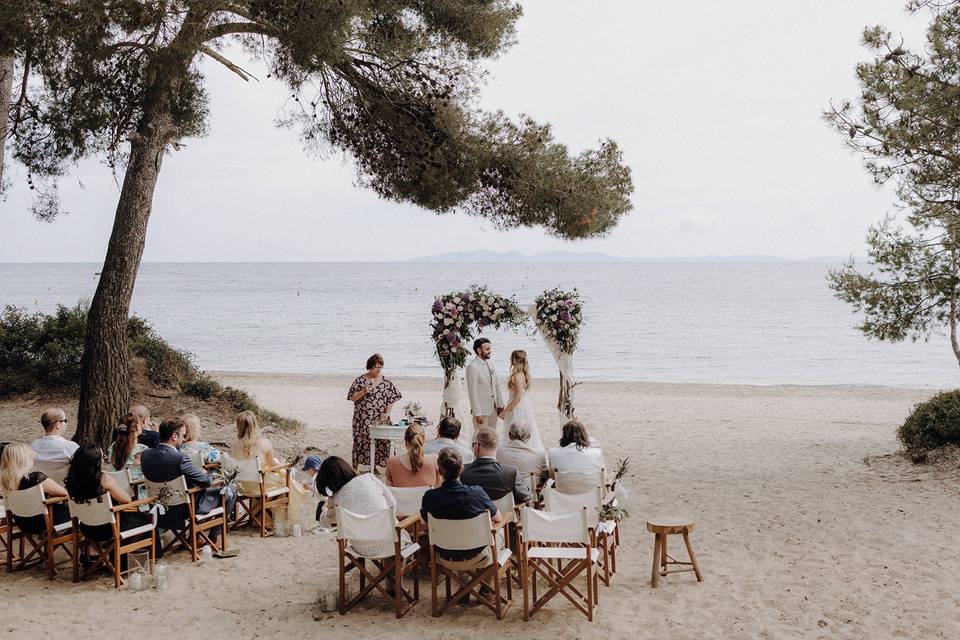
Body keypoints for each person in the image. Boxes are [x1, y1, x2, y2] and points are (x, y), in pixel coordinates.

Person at [141, 417, 236, 542]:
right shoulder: (179, 458)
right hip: (182, 510)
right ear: (174, 436)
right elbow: (206, 482)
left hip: (158, 509)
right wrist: (203, 472)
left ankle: (195, 537)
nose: (184, 439)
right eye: (182, 435)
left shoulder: (146, 455)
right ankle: (213, 537)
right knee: (230, 490)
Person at [65, 444, 159, 556]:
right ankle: (147, 557)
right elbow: (126, 499)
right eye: (102, 457)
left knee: (129, 519)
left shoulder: (72, 481)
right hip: (108, 528)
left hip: (86, 528)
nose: (104, 459)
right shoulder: (103, 479)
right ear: (96, 462)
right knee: (147, 518)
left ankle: (117, 557)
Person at [316, 456, 408, 557]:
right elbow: (392, 503)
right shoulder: (369, 478)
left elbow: (327, 523)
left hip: (363, 549)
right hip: (393, 542)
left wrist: (324, 510)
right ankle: (391, 568)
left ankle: (385, 569)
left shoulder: (336, 499)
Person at [420, 447, 500, 561]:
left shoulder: (430, 496)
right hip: (476, 554)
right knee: (499, 530)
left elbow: (424, 522)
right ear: (462, 468)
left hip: (444, 555)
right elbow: (498, 517)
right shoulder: (477, 493)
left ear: (439, 471)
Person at [233, 410, 306, 525]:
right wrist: (285, 464)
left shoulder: (235, 445)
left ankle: (259, 518)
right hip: (260, 485)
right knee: (285, 481)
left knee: (273, 477)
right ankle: (275, 521)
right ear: (255, 425)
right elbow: (272, 464)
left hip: (243, 486)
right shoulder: (263, 442)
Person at [347, 353, 402, 470]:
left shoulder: (386, 381)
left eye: (380, 367)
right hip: (362, 418)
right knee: (362, 441)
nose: (378, 369)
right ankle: (362, 467)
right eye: (376, 367)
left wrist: (387, 413)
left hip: (380, 418)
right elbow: (352, 397)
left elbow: (392, 398)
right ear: (370, 366)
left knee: (383, 442)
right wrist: (364, 391)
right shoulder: (360, 380)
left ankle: (380, 467)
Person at [0, 442, 70, 533]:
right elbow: (65, 494)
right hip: (44, 523)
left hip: (22, 523)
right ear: (23, 460)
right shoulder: (36, 478)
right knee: (77, 509)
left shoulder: (7, 481)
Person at [461, 428, 532, 504]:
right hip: (506, 514)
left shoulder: (462, 470)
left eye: (474, 444)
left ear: (478, 446)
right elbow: (526, 496)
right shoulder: (511, 472)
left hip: (475, 515)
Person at [497, 350, 544, 451]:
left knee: (516, 431)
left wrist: (505, 412)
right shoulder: (522, 374)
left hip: (517, 407)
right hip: (522, 405)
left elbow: (517, 397)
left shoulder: (518, 376)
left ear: (514, 360)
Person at [497, 420, 548, 491]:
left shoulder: (497, 451)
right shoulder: (540, 455)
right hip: (528, 496)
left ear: (509, 434)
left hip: (503, 496)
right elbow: (546, 476)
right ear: (529, 436)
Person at [385, 423, 441, 487]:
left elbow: (389, 491)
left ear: (406, 442)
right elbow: (439, 488)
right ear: (422, 442)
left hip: (400, 497)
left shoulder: (392, 462)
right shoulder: (434, 460)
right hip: (426, 497)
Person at [465, 338, 503, 432]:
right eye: (487, 349)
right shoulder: (472, 367)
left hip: (493, 408)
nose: (490, 351)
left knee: (492, 436)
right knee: (480, 437)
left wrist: (500, 405)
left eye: (490, 348)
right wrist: (477, 413)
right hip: (481, 410)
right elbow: (472, 393)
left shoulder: (491, 364)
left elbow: (497, 385)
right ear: (478, 350)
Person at [30, 408, 79, 480]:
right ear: (58, 424)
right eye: (65, 421)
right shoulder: (69, 447)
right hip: (66, 489)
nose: (66, 424)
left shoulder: (34, 446)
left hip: (43, 489)